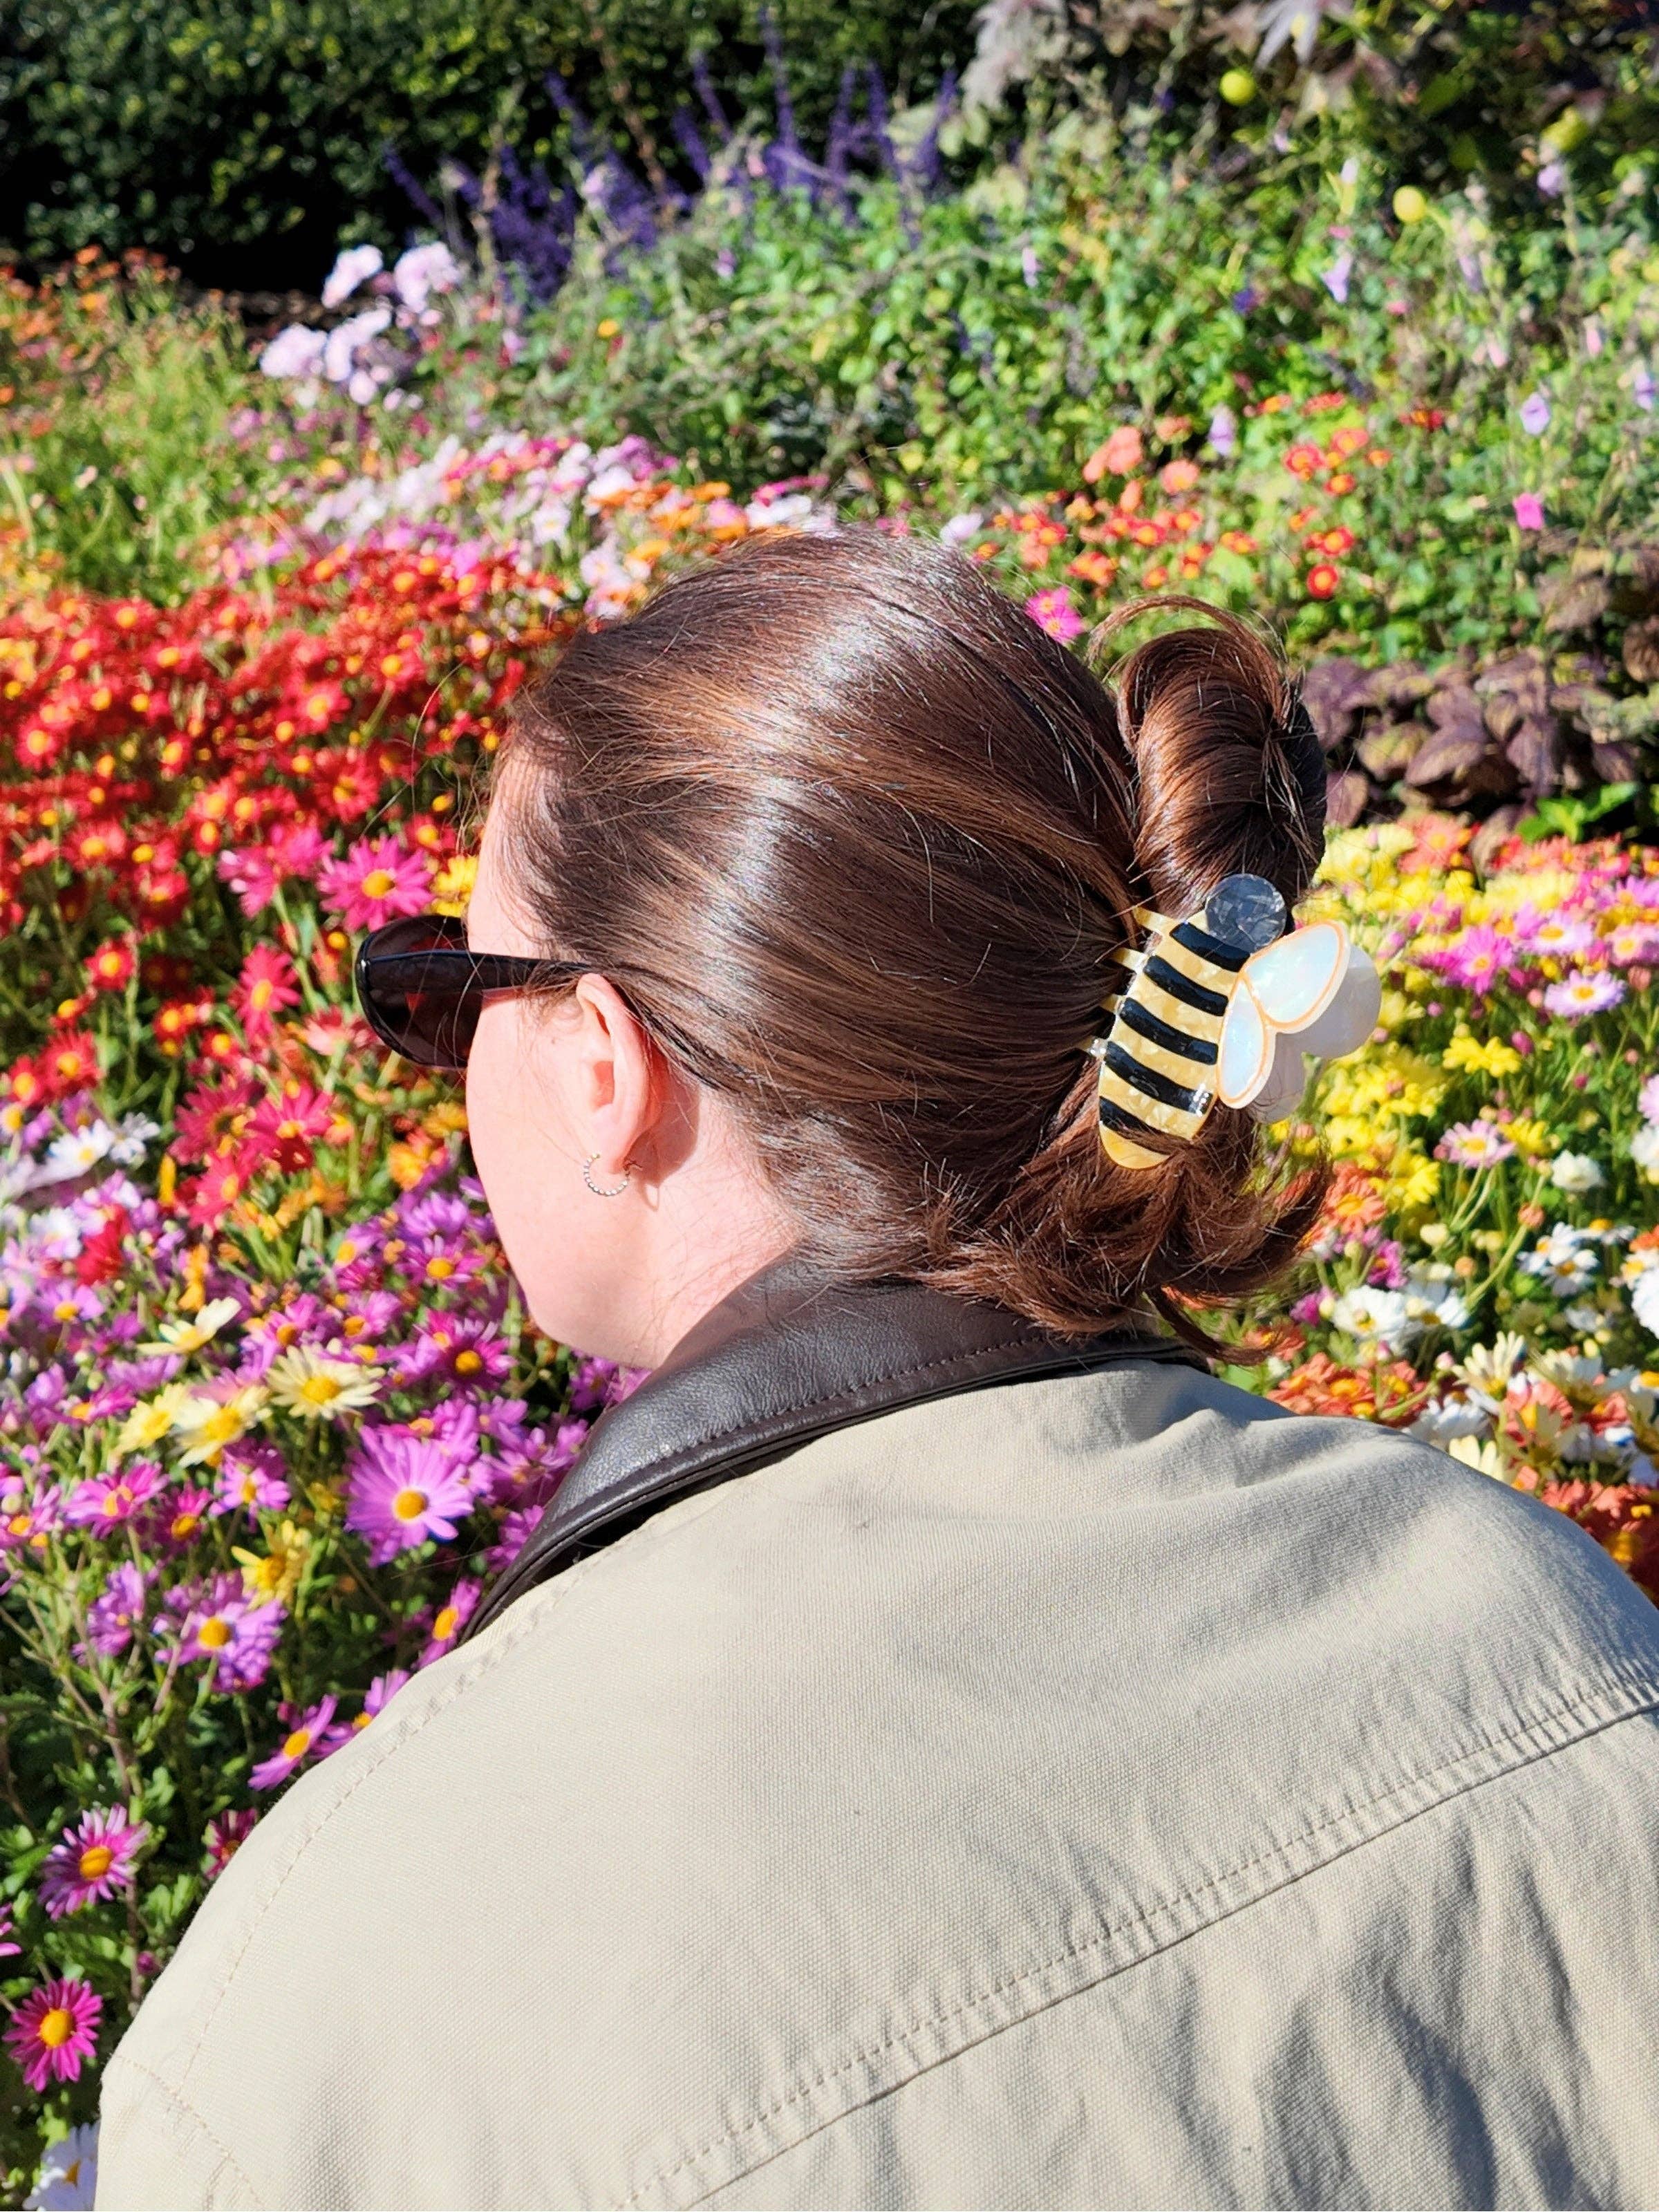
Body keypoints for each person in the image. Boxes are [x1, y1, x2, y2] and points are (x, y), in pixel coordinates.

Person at [97, 532, 1659, 2210]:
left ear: (605, 1065)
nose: (439, 1052)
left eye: (446, 991)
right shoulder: (1548, 1620)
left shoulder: (349, 1991)